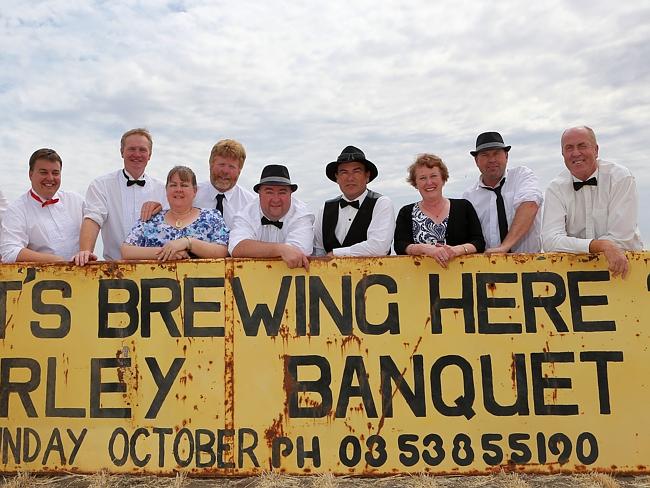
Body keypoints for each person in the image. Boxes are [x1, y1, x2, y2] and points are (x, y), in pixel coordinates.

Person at [542, 126, 643, 278]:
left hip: (626, 271)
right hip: (576, 275)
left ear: (596, 150)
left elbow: (622, 238)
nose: (576, 153)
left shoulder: (621, 178)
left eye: (582, 146)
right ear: (563, 154)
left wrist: (577, 246)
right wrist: (599, 245)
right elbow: (550, 241)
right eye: (569, 148)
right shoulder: (555, 188)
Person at [73, 128, 166, 265]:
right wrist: (85, 251)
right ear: (122, 152)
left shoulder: (163, 188)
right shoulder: (101, 185)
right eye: (131, 149)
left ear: (150, 155)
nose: (137, 154)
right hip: (113, 268)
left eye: (142, 150)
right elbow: (93, 218)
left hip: (157, 268)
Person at [394, 154, 485, 267]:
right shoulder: (406, 212)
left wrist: (457, 250)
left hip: (462, 278)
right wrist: (424, 249)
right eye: (422, 178)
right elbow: (400, 246)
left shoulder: (464, 207)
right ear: (415, 183)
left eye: (433, 176)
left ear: (443, 179)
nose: (429, 182)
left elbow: (479, 242)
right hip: (419, 280)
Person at [121, 166, 228, 260]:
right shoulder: (151, 218)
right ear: (166, 190)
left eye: (184, 185)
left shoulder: (212, 216)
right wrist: (167, 252)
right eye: (173, 185)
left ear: (194, 191)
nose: (178, 189)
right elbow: (126, 251)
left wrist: (188, 242)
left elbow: (222, 251)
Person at [462, 131, 542, 253]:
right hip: (488, 267)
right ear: (476, 161)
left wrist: (503, 248)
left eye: (496, 153)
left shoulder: (522, 176)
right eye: (485, 155)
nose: (492, 159)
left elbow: (530, 206)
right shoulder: (469, 197)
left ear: (506, 156)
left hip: (530, 266)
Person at [0, 148, 84, 263]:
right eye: (43, 172)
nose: (50, 178)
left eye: (55, 173)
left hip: (86, 276)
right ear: (30, 174)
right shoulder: (16, 210)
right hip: (43, 279)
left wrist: (86, 251)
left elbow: (96, 220)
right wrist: (57, 261)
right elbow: (9, 252)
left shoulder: (76, 201)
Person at [313, 146, 394, 256]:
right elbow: (318, 250)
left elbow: (379, 247)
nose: (350, 178)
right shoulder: (325, 209)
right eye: (344, 172)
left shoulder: (381, 203)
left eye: (356, 171)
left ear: (367, 176)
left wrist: (336, 254)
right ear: (337, 177)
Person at [229, 164, 314, 269]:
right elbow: (236, 247)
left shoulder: (302, 215)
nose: (276, 199)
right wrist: (280, 249)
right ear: (259, 193)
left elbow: (298, 253)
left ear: (290, 194)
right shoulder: (245, 215)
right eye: (269, 192)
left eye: (282, 192)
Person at [194, 139, 256, 229]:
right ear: (211, 164)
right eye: (221, 164)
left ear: (239, 170)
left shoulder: (250, 204)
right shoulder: (192, 195)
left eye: (231, 166)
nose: (225, 171)